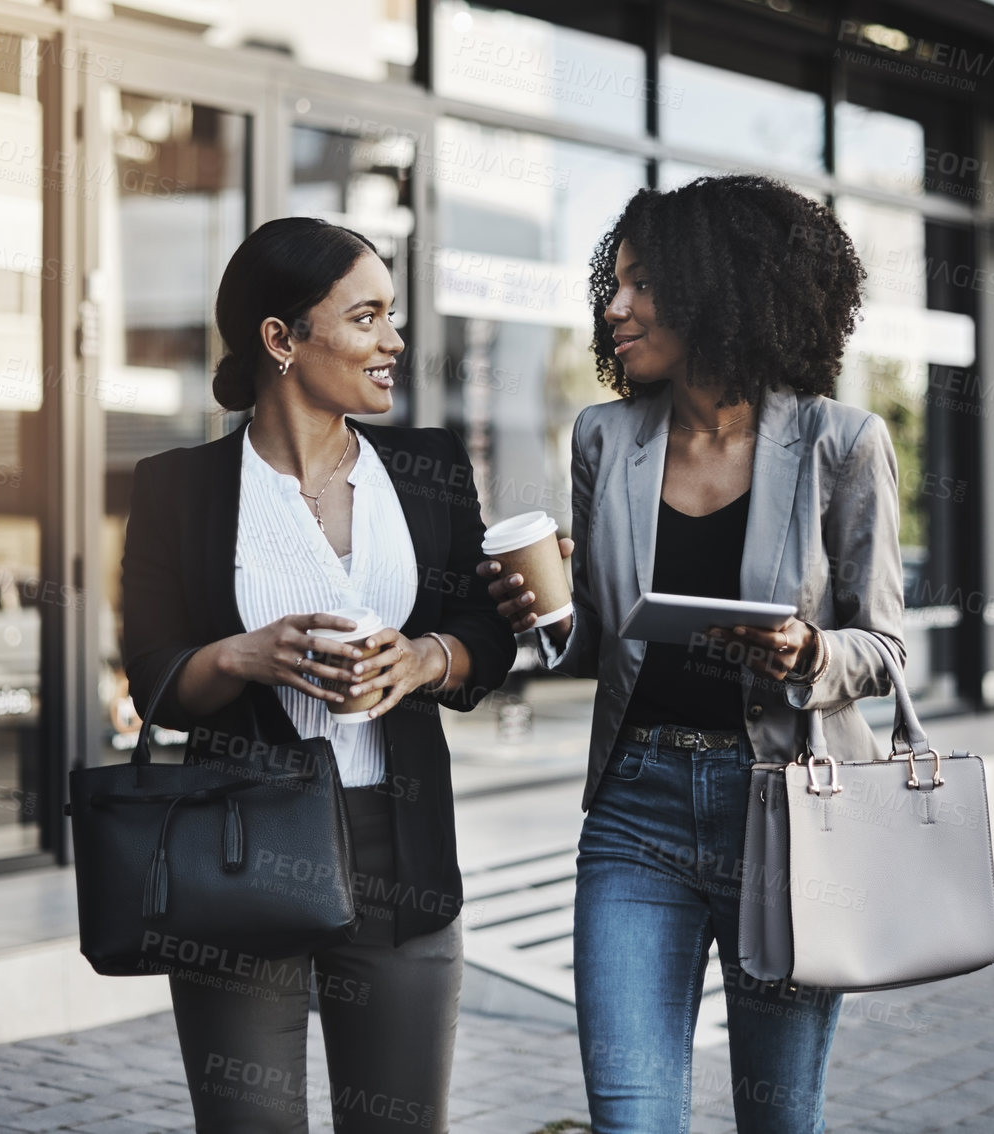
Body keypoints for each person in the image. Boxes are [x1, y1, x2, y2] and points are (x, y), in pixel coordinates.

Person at [479, 175, 906, 1133]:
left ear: (722, 288)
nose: (613, 306)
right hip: (636, 809)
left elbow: (880, 647)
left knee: (777, 1116)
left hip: (792, 819)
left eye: (640, 284)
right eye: (612, 284)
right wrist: (541, 613)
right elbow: (596, 639)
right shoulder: (605, 436)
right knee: (630, 1117)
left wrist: (803, 651)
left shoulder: (842, 443)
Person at [120, 216, 516, 1133]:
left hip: (399, 854)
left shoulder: (428, 469)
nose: (394, 342)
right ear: (281, 340)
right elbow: (153, 681)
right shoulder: (176, 488)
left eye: (392, 317)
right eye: (367, 317)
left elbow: (480, 638)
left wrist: (424, 659)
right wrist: (242, 656)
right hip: (240, 845)